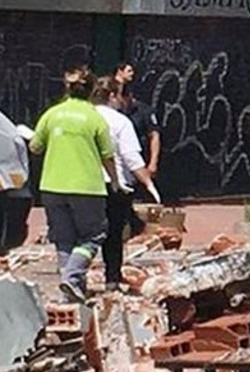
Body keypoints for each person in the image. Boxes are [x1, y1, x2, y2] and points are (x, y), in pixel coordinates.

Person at [29, 67, 119, 303]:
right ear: (92, 91)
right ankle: (71, 277)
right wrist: (116, 182)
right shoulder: (94, 118)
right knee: (93, 236)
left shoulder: (52, 114)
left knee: (63, 239)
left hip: (52, 186)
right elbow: (107, 155)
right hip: (87, 188)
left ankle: (69, 295)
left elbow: (35, 147)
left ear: (67, 89)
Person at [91, 76, 160, 292]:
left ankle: (74, 276)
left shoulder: (85, 116)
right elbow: (131, 158)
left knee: (85, 232)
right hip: (116, 184)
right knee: (113, 233)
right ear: (112, 96)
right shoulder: (120, 121)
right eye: (120, 95)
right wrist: (149, 183)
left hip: (86, 182)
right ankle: (112, 278)